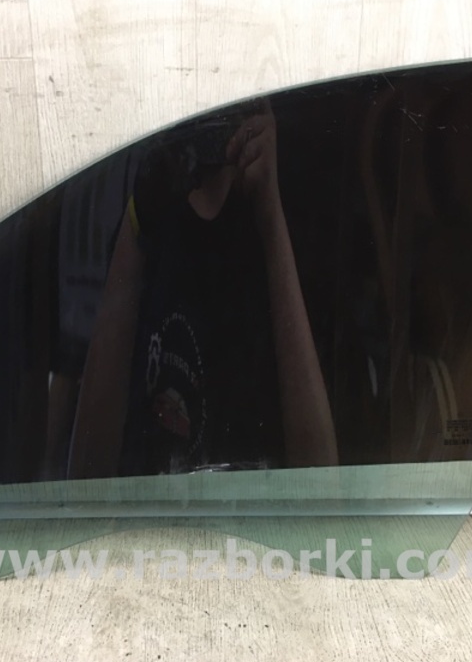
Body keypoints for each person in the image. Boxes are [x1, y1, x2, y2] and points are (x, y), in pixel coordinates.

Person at [69, 99, 337, 478]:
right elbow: (87, 468)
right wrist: (139, 213)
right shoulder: (154, 216)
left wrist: (270, 213)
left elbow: (320, 472)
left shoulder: (288, 225)